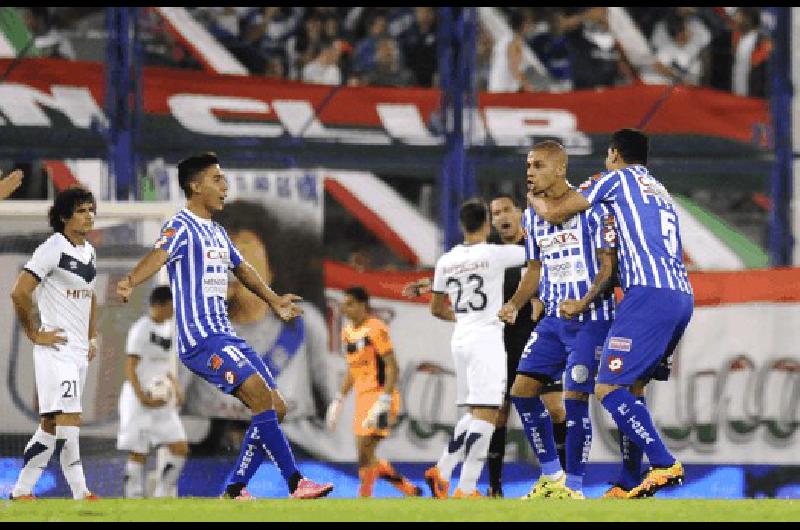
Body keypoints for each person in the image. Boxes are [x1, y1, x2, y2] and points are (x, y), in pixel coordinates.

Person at [115, 153, 333, 500]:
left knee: (275, 407)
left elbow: (243, 269)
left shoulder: (216, 232)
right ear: (195, 185)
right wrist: (130, 280)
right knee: (262, 398)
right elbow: (159, 254)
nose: (224, 185)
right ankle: (295, 482)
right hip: (202, 339)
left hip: (225, 337)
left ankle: (235, 486)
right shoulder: (181, 227)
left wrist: (274, 300)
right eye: (217, 179)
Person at [528, 129, 694, 498]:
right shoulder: (658, 189)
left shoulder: (614, 179)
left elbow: (558, 211)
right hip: (680, 294)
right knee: (633, 388)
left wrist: (534, 200)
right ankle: (629, 480)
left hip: (648, 294)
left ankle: (664, 463)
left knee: (608, 387)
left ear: (614, 153)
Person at [498, 141, 617, 500]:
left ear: (560, 169)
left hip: (591, 319)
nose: (529, 172)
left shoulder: (592, 210)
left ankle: (576, 488)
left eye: (537, 165)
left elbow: (610, 267)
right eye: (528, 166)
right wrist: (516, 303)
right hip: (552, 321)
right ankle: (553, 476)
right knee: (521, 392)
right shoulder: (533, 216)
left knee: (575, 397)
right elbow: (535, 268)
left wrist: (583, 301)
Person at [424, 198, 527, 499]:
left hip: (461, 339)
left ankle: (442, 472)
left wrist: (462, 316)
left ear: (461, 225)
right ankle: (465, 487)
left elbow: (435, 308)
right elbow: (534, 255)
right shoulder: (494, 255)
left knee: (476, 412)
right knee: (489, 414)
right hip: (487, 340)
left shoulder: (446, 260)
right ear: (486, 224)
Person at [9, 187, 99, 500]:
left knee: (50, 423)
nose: (89, 216)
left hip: (78, 350)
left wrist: (91, 336)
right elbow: (19, 292)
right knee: (70, 418)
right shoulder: (52, 248)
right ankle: (81, 493)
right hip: (56, 348)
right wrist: (34, 333)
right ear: (64, 217)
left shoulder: (88, 251)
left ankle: (21, 492)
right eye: (81, 210)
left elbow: (90, 296)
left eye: (91, 210)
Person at [486, 195, 568, 498]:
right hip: (503, 346)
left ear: (519, 213)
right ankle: (495, 488)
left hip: (540, 342)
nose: (502, 216)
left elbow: (561, 278)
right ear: (492, 221)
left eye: (506, 209)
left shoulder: (540, 247)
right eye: (496, 213)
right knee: (499, 415)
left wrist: (542, 298)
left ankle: (563, 483)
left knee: (557, 410)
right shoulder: (492, 257)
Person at [325, 286, 421, 498]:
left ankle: (365, 496)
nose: (345, 309)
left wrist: (384, 401)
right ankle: (408, 489)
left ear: (363, 305)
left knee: (364, 449)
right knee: (365, 454)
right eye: (343, 305)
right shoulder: (347, 332)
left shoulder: (376, 328)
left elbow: (393, 366)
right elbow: (352, 369)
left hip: (380, 395)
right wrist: (338, 399)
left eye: (350, 304)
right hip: (362, 397)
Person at [118, 286, 189, 499]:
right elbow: (130, 366)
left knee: (180, 447)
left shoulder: (169, 328)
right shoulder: (141, 329)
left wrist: (177, 388)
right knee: (139, 450)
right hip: (139, 399)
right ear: (161, 305)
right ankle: (134, 496)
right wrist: (142, 398)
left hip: (161, 399)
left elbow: (165, 366)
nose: (174, 310)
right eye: (172, 305)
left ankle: (161, 494)